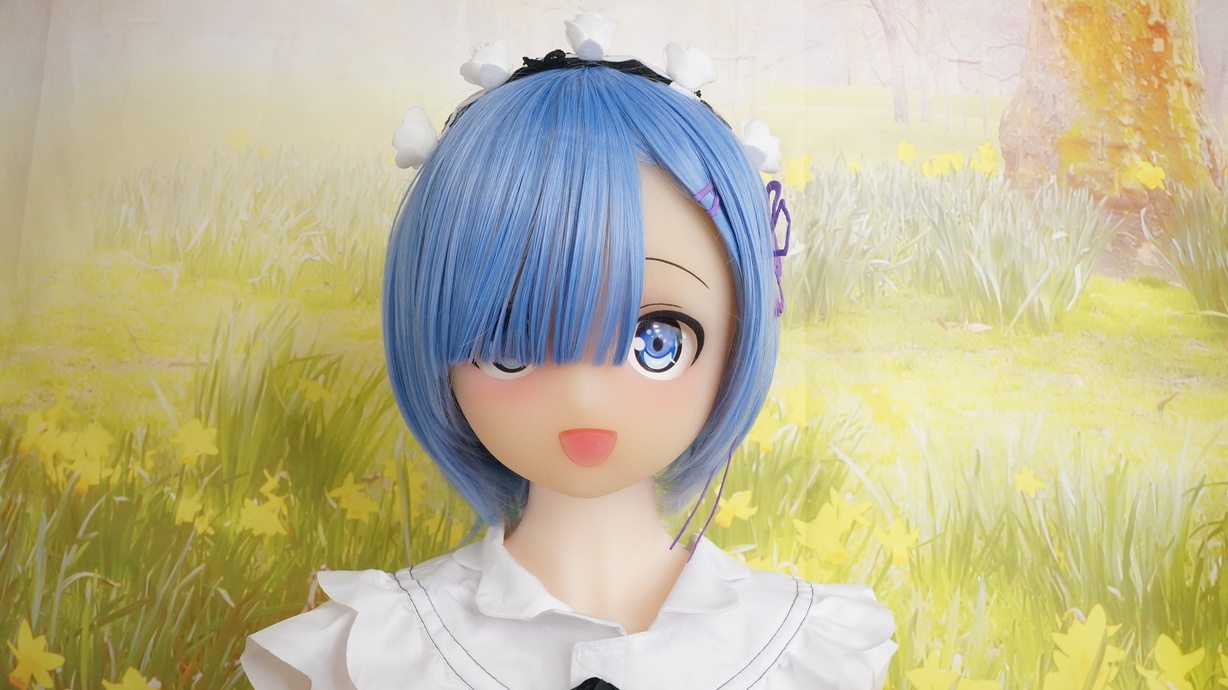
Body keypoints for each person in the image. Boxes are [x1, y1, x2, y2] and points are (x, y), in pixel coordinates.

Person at [242, 14, 895, 689]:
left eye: (656, 341)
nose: (584, 397)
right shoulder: (370, 654)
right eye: (512, 343)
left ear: (739, 333)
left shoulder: (806, 653)